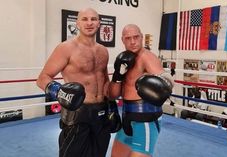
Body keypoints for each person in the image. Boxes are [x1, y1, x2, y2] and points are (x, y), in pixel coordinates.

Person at [36, 8, 121, 157]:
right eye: (84, 19)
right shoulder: (66, 48)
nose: (89, 23)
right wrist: (60, 92)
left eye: (93, 19)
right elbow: (43, 78)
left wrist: (112, 102)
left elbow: (104, 81)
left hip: (101, 114)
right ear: (77, 23)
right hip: (78, 114)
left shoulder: (103, 51)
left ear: (99, 23)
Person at [109, 24, 174, 157]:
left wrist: (161, 83)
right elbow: (113, 95)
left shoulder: (146, 57)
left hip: (146, 120)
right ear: (122, 40)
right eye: (128, 38)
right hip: (126, 117)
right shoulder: (124, 59)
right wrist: (117, 76)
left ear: (142, 37)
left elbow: (167, 81)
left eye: (136, 37)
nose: (133, 42)